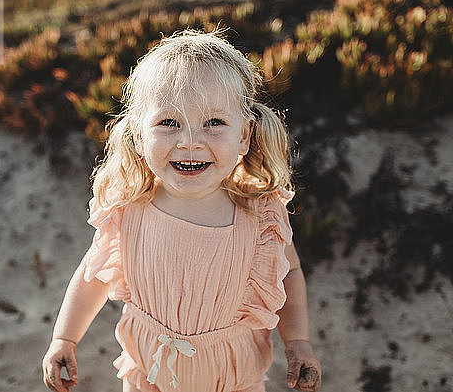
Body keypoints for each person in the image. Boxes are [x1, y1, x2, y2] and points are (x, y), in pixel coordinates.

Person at [42, 28, 321, 392]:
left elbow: (289, 273)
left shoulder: (261, 216)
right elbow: (94, 274)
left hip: (233, 380)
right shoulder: (128, 208)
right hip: (149, 376)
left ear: (244, 135)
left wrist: (297, 342)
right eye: (169, 123)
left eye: (214, 123)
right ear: (140, 136)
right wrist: (64, 338)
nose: (190, 141)